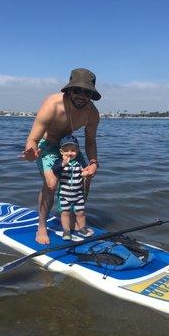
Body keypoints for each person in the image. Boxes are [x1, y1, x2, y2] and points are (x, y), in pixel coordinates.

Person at [20, 68, 101, 244]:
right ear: (69, 89)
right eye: (77, 90)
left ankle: (74, 217)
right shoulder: (53, 105)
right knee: (51, 183)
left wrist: (94, 163)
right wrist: (31, 152)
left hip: (69, 145)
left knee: (85, 175)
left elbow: (90, 142)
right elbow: (33, 138)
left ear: (91, 95)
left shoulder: (92, 113)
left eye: (87, 92)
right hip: (47, 145)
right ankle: (41, 226)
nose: (81, 95)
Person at [52, 134, 94, 240]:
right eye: (67, 150)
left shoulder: (79, 163)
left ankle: (82, 228)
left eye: (73, 150)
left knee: (81, 212)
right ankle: (66, 231)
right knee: (65, 213)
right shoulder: (60, 163)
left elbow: (85, 171)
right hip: (64, 195)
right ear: (61, 152)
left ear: (78, 151)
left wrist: (85, 173)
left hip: (78, 194)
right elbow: (54, 170)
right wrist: (63, 163)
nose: (70, 153)